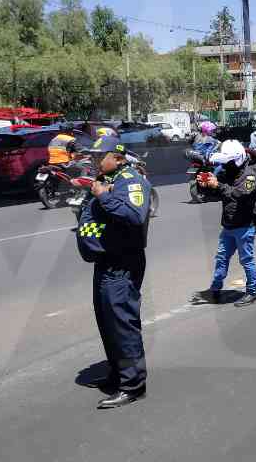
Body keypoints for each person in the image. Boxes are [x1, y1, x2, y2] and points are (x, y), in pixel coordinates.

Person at [76, 134, 152, 409]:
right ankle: (118, 373)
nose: (95, 161)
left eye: (100, 157)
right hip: (105, 262)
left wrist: (103, 197)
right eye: (94, 156)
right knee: (107, 322)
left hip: (122, 264)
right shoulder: (107, 179)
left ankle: (133, 385)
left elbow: (135, 216)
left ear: (118, 158)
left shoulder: (131, 181)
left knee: (122, 324)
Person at [190, 140, 256, 308]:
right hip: (229, 225)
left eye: (227, 162)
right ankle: (215, 289)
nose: (224, 165)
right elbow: (216, 194)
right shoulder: (227, 173)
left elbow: (239, 195)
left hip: (245, 225)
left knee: (246, 260)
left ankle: (253, 292)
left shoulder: (250, 176)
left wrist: (219, 185)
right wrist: (204, 185)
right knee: (221, 258)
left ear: (237, 160)